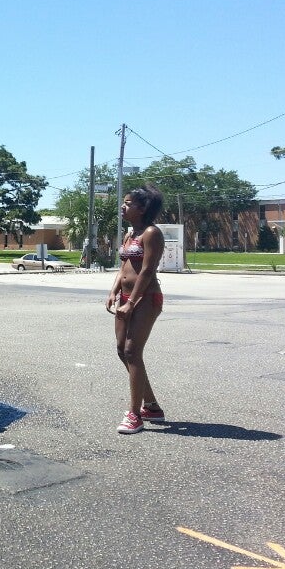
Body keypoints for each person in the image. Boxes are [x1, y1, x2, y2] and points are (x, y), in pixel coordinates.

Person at [105, 184, 165, 434]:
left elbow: (148, 270)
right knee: (122, 350)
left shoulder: (151, 233)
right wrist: (114, 291)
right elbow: (124, 267)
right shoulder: (131, 234)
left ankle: (135, 415)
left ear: (142, 208)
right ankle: (150, 406)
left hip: (146, 298)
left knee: (132, 351)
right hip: (125, 296)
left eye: (128, 203)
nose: (123, 206)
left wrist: (132, 303)